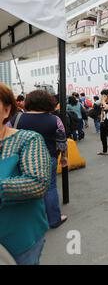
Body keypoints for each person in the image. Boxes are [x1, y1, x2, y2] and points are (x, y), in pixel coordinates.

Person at [0, 83, 51, 265]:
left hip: (19, 237)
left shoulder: (28, 138)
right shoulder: (53, 119)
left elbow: (38, 183)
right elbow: (61, 136)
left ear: (7, 110)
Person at [11, 90, 68, 229]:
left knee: (26, 188)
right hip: (49, 157)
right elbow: (62, 141)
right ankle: (54, 219)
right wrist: (64, 157)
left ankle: (31, 220)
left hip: (22, 159)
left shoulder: (16, 119)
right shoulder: (55, 119)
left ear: (28, 102)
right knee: (50, 188)